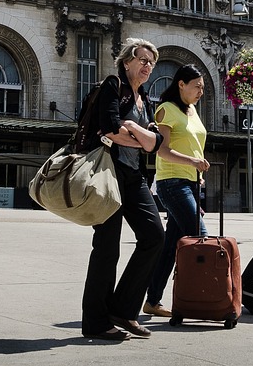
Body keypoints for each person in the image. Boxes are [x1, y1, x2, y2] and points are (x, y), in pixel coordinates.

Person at [81, 38, 165, 341]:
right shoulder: (113, 85)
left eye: (151, 62)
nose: (147, 66)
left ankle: (122, 309)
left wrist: (138, 136)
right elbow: (111, 129)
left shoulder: (144, 98)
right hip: (108, 173)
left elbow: (156, 143)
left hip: (133, 175)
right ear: (127, 61)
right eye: (142, 59)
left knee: (155, 235)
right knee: (107, 247)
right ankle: (95, 321)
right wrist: (141, 139)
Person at [142, 64, 211, 317]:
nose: (200, 91)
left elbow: (194, 145)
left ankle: (152, 301)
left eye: (203, 87)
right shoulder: (166, 110)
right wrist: (193, 162)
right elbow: (161, 149)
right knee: (201, 238)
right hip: (172, 182)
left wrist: (197, 173)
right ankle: (207, 295)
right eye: (197, 86)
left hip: (191, 182)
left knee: (172, 246)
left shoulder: (192, 110)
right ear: (181, 84)